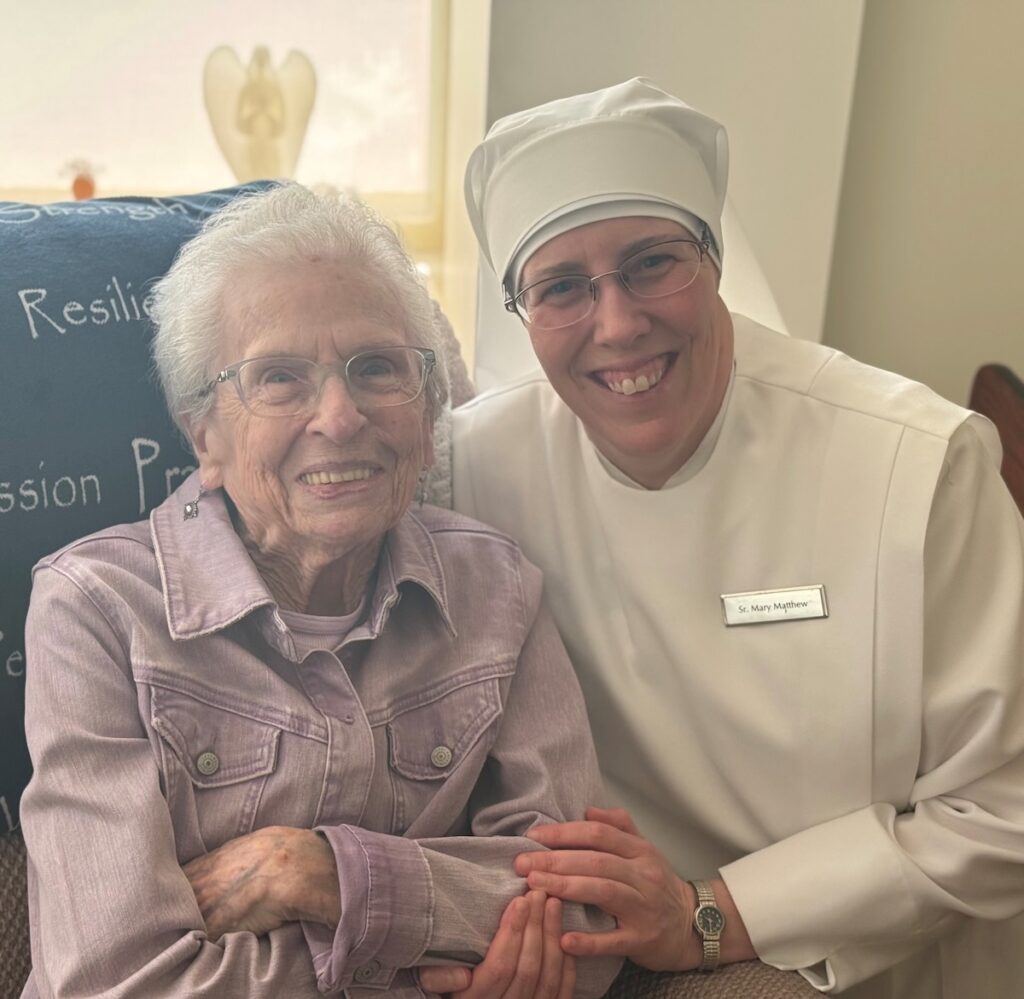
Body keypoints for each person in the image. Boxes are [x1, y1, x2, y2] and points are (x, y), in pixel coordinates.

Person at [427, 78, 1024, 998]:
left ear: (713, 259)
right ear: (520, 309)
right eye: (561, 287)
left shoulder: (918, 465)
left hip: (871, 960)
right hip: (600, 952)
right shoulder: (473, 467)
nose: (618, 323)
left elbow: (1004, 811)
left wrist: (715, 913)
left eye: (652, 262)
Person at [18, 185, 621, 999]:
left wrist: (319, 874)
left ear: (429, 404)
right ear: (205, 433)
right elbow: (118, 982)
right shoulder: (94, 611)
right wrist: (438, 946)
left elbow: (586, 919)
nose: (339, 417)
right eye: (279, 378)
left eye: (377, 367)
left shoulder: (497, 588)